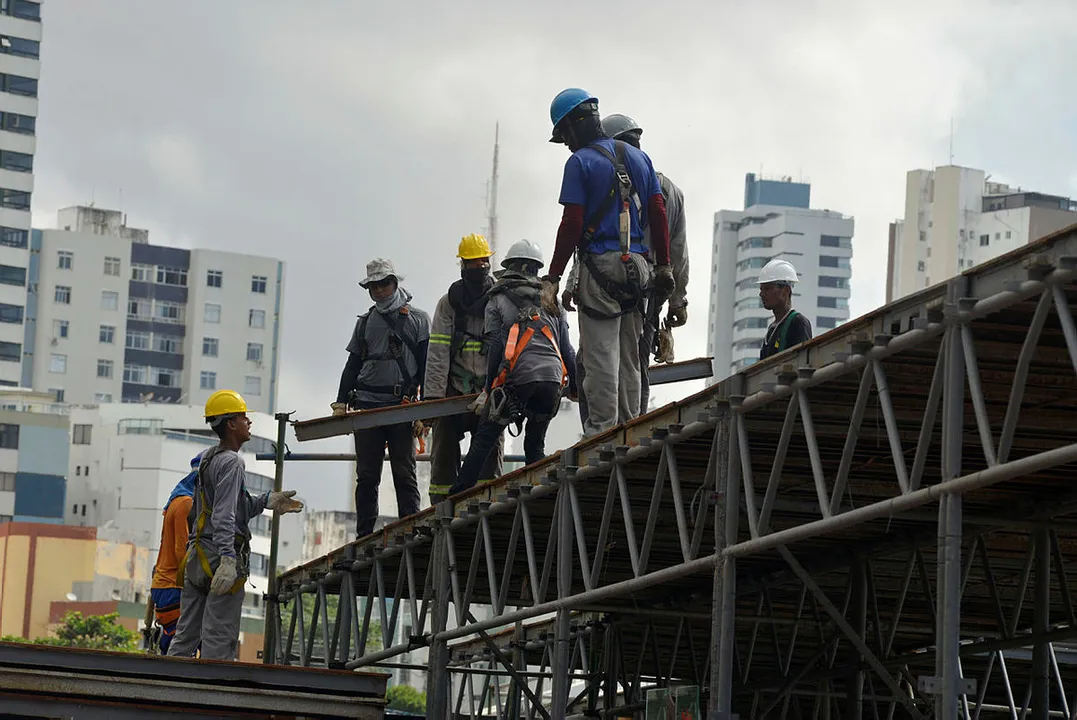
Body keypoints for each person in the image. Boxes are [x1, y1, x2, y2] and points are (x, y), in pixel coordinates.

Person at [541, 88, 674, 437]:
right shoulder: (639, 159)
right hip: (640, 268)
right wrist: (664, 266)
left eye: (565, 135)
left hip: (600, 267)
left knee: (601, 354)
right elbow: (658, 212)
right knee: (630, 356)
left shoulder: (580, 162)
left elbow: (572, 223)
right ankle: (630, 429)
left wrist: (553, 276)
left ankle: (601, 433)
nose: (567, 144)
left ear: (574, 124)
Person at [569, 113, 689, 423]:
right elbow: (678, 249)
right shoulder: (668, 187)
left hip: (608, 279)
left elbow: (586, 238)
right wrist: (677, 299)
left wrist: (570, 283)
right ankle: (634, 428)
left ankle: (600, 434)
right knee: (636, 360)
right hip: (650, 288)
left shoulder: (607, 174)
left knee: (596, 360)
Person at [168, 390, 304, 660]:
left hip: (198, 555)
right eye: (243, 417)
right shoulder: (232, 462)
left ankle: (168, 687)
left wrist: (266, 501)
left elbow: (226, 506)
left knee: (185, 636)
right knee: (219, 637)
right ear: (231, 424)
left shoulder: (209, 458)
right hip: (220, 557)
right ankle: (212, 696)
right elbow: (223, 515)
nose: (248, 422)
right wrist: (229, 559)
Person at [452, 239, 577, 495]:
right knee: (535, 443)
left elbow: (496, 347)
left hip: (519, 378)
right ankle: (539, 495)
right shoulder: (552, 300)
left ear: (509, 266)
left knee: (486, 434)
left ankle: (458, 493)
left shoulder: (496, 299)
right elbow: (567, 349)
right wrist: (574, 386)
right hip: (553, 380)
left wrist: (489, 390)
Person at [332, 258, 430, 537]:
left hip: (401, 407)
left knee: (404, 471)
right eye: (373, 286)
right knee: (366, 476)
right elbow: (353, 364)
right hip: (367, 406)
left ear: (395, 283)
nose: (379, 291)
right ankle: (364, 535)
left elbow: (425, 367)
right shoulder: (365, 324)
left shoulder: (418, 320)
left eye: (383, 284)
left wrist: (423, 411)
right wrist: (340, 401)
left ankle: (410, 529)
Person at [424, 234, 504, 505]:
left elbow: (507, 349)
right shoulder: (449, 303)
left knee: (489, 455)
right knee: (443, 451)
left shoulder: (499, 300)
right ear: (463, 265)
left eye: (482, 262)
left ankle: (487, 504)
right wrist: (433, 401)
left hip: (489, 389)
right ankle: (441, 507)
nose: (478, 268)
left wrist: (501, 390)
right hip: (453, 391)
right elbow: (437, 351)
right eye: (473, 263)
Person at [147, 451, 205, 654]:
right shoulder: (185, 503)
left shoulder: (179, 501)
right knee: (184, 643)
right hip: (172, 586)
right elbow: (183, 552)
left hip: (168, 584)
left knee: (183, 642)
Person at [757, 258, 813, 360]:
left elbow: (803, 362)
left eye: (767, 288)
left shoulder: (798, 322)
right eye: (761, 289)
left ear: (786, 290)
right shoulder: (772, 330)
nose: (761, 294)